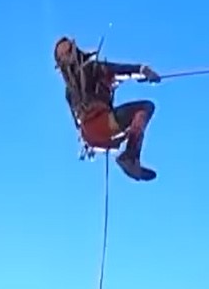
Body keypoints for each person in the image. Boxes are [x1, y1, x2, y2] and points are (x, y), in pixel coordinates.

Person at [54, 36, 161, 181]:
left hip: (90, 135)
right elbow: (119, 71)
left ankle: (127, 150)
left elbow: (78, 126)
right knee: (145, 108)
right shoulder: (92, 68)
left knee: (126, 129)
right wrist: (143, 71)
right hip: (103, 122)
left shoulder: (69, 91)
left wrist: (97, 145)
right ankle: (130, 155)